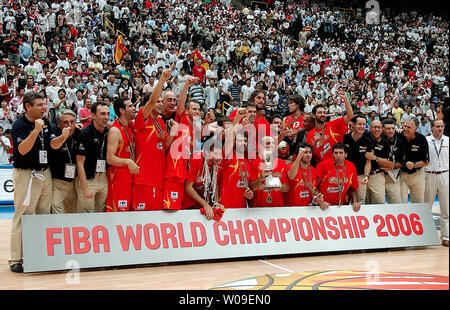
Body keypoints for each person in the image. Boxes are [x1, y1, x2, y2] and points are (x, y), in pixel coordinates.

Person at [9, 91, 67, 273]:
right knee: (23, 216)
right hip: (26, 174)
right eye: (39, 105)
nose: (44, 108)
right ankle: (16, 258)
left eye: (44, 104)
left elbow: (52, 145)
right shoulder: (19, 125)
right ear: (28, 106)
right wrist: (35, 130)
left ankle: (39, 254)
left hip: (44, 173)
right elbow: (22, 150)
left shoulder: (47, 122)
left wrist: (63, 137)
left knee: (43, 214)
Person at [132, 65, 177, 211]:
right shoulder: (142, 119)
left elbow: (163, 147)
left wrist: (172, 133)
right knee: (140, 219)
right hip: (143, 179)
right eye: (157, 101)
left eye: (160, 102)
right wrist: (162, 80)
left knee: (154, 217)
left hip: (158, 180)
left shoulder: (161, 123)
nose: (158, 104)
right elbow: (151, 101)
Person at [75, 101, 110, 213]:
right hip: (89, 179)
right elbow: (79, 162)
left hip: (103, 178)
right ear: (93, 115)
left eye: (108, 114)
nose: (106, 117)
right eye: (102, 114)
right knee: (86, 215)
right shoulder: (85, 133)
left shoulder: (108, 132)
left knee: (101, 214)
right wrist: (85, 188)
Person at [105, 97, 137, 212]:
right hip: (118, 178)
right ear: (122, 110)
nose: (134, 108)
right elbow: (110, 158)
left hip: (130, 175)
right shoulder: (115, 131)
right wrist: (127, 161)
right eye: (130, 106)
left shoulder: (130, 126)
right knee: (118, 213)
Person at [306, 91, 354, 165]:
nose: (323, 114)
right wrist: (314, 143)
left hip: (337, 165)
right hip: (322, 168)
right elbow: (308, 154)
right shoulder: (310, 134)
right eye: (319, 112)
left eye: (324, 112)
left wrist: (346, 99)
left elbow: (350, 116)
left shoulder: (334, 124)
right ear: (313, 115)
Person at [49, 110, 80, 214]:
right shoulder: (54, 132)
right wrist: (63, 136)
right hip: (58, 181)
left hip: (74, 181)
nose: (70, 125)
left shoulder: (79, 133)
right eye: (66, 122)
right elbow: (54, 145)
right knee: (55, 206)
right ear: (59, 124)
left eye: (72, 122)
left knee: (74, 212)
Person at [424, 119, 448, 247]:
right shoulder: (426, 141)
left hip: (445, 174)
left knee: (446, 208)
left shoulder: (448, 140)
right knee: (426, 207)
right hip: (429, 175)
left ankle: (446, 237)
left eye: (442, 126)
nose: (440, 128)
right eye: (437, 126)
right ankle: (425, 236)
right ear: (431, 127)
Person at [316, 143, 361, 212]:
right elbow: (314, 186)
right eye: (336, 153)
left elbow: (353, 188)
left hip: (343, 206)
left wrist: (355, 201)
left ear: (346, 154)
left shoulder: (351, 166)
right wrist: (320, 202)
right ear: (332, 154)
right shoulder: (323, 165)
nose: (338, 155)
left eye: (341, 153)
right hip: (325, 206)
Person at [184, 142, 223, 219]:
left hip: (203, 199)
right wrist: (205, 205)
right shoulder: (197, 159)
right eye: (215, 153)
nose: (219, 157)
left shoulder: (218, 163)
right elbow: (188, 187)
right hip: (188, 200)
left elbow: (216, 186)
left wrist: (216, 203)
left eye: (220, 154)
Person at [249, 135, 289, 207]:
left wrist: (280, 187)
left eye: (273, 143)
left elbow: (286, 188)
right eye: (268, 143)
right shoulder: (254, 163)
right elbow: (251, 188)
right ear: (261, 147)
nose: (271, 145)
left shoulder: (281, 163)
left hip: (277, 207)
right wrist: (261, 178)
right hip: (258, 208)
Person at [220, 130, 254, 209]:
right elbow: (228, 145)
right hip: (225, 207)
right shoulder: (229, 157)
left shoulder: (247, 163)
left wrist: (250, 193)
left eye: (245, 141)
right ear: (234, 142)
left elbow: (248, 186)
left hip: (242, 209)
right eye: (240, 140)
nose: (243, 143)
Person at [399, 117, 429, 203]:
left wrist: (414, 165)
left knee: (418, 203)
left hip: (417, 175)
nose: (405, 129)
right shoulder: (399, 136)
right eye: (404, 126)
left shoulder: (421, 139)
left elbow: (426, 161)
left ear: (415, 128)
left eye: (409, 127)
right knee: (401, 204)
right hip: (402, 174)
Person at [343, 114, 372, 204]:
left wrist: (366, 175)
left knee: (360, 203)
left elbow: (368, 161)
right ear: (353, 125)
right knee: (344, 201)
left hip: (360, 176)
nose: (362, 127)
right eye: (359, 124)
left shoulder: (368, 140)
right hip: (345, 175)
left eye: (364, 124)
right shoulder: (345, 138)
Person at [364, 120, 394, 204]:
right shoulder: (364, 137)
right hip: (362, 175)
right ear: (369, 128)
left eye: (379, 127)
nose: (376, 129)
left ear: (382, 129)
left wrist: (375, 158)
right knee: (363, 204)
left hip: (377, 175)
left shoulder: (385, 143)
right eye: (374, 127)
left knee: (379, 203)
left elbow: (390, 164)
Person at [286, 142, 321, 207]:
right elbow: (291, 176)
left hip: (307, 210)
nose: (308, 155)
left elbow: (314, 190)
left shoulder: (314, 170)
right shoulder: (290, 167)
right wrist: (299, 156)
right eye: (305, 152)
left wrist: (316, 198)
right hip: (291, 209)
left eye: (310, 152)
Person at [382, 118, 406, 204]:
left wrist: (391, 166)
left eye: (393, 128)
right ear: (383, 129)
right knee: (378, 203)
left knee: (396, 203)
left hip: (393, 176)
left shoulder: (399, 142)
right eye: (388, 128)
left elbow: (401, 161)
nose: (391, 131)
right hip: (379, 175)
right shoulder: (377, 140)